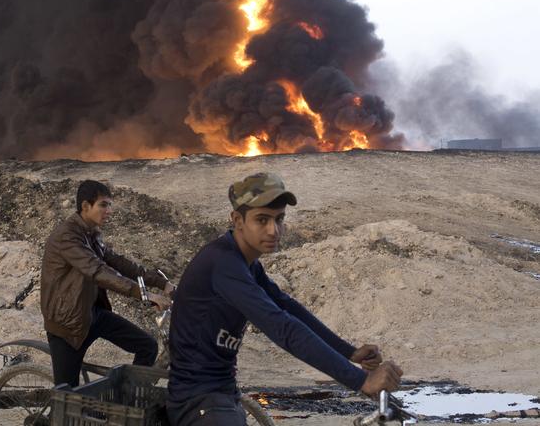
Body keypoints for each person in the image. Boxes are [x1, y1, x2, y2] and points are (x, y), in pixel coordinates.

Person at [167, 173, 403, 425]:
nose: (274, 230)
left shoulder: (246, 264)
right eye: (262, 220)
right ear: (237, 220)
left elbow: (287, 307)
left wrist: (350, 352)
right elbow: (281, 326)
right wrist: (361, 381)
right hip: (197, 401)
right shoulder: (223, 263)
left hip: (220, 393)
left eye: (279, 219)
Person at [40, 179, 174, 387]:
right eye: (103, 204)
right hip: (68, 325)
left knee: (147, 346)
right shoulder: (67, 237)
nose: (109, 210)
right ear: (85, 206)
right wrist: (144, 294)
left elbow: (119, 262)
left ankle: (130, 399)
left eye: (110, 204)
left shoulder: (91, 233)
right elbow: (98, 271)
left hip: (92, 314)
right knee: (68, 398)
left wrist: (160, 282)